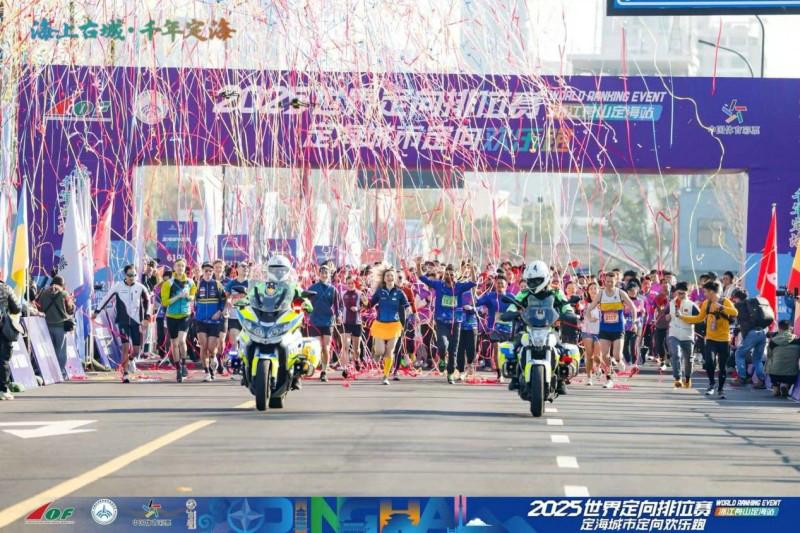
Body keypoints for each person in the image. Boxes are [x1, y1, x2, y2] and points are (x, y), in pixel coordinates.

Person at [508, 260, 575, 393]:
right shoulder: (524, 293)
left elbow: (566, 305)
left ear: (545, 278)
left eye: (536, 280)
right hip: (528, 329)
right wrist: (510, 312)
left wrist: (568, 312)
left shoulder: (556, 292)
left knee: (561, 349)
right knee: (515, 347)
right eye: (530, 281)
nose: (533, 283)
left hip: (550, 329)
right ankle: (515, 377)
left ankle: (560, 380)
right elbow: (513, 305)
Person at [417, 259, 477, 384]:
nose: (450, 276)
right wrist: (418, 264)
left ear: (456, 275)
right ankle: (442, 358)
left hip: (456, 322)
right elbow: (422, 277)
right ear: (445, 275)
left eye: (452, 274)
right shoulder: (439, 285)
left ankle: (450, 373)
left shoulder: (459, 287)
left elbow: (474, 282)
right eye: (448, 274)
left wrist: (471, 268)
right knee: (443, 345)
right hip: (441, 321)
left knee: (453, 349)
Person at [680, 280, 738, 399]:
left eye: (705, 291)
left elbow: (735, 312)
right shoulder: (706, 303)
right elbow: (699, 318)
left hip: (724, 340)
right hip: (711, 338)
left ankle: (721, 389)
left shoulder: (725, 301)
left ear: (711, 291)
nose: (704, 294)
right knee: (709, 362)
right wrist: (683, 317)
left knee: (722, 366)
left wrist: (721, 307)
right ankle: (712, 384)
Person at [94, 265, 152, 383]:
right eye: (130, 275)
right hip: (123, 321)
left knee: (137, 350)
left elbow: (147, 302)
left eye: (134, 275)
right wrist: (96, 311)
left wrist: (146, 317)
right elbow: (106, 298)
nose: (132, 277)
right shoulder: (118, 286)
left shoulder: (141, 287)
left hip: (137, 322)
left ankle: (131, 359)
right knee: (125, 347)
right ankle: (125, 374)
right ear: (125, 275)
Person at [586, 269, 638, 389]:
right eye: (607, 281)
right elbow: (590, 308)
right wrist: (590, 318)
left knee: (617, 355)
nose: (609, 284)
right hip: (604, 329)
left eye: (611, 282)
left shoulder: (620, 293)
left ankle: (619, 361)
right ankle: (609, 379)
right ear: (604, 281)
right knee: (604, 356)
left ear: (616, 282)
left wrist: (634, 322)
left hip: (618, 328)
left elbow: (633, 307)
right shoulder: (601, 294)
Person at [366, 266, 411, 385]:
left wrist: (409, 310)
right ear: (384, 279)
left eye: (391, 275)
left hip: (394, 325)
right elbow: (370, 304)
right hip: (380, 325)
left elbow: (407, 305)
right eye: (387, 275)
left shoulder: (399, 292)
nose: (390, 277)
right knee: (380, 351)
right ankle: (377, 354)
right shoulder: (380, 292)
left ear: (394, 278)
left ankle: (385, 376)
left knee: (390, 351)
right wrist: (365, 301)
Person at [0, 277, 40, 400]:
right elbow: (16, 308)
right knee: (3, 359)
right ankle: (2, 390)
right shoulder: (5, 287)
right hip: (2, 327)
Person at [161, 258, 197, 382]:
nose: (180, 268)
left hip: (185, 315)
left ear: (185, 267)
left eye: (182, 266)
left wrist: (188, 297)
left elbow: (193, 297)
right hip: (171, 316)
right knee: (174, 343)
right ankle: (177, 369)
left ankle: (184, 364)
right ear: (174, 268)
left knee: (182, 341)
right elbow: (165, 302)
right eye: (178, 266)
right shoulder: (168, 283)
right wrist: (178, 296)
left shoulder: (190, 282)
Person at [36, 276, 76, 380]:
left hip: (46, 327)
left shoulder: (43, 294)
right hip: (60, 327)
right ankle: (60, 373)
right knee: (60, 351)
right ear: (62, 284)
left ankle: (49, 373)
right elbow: (70, 310)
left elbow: (39, 308)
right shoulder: (64, 294)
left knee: (49, 351)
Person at [476, 274, 515, 382]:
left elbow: (520, 307)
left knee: (507, 352)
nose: (500, 285)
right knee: (496, 349)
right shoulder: (490, 296)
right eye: (498, 283)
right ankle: (499, 374)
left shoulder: (511, 297)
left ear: (506, 285)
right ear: (495, 285)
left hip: (509, 329)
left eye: (502, 284)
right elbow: (477, 302)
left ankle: (510, 371)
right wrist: (474, 292)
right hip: (494, 329)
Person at [307, 265, 341, 382]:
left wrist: (338, 316)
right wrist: (305, 315)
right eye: (322, 272)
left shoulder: (333, 289)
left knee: (326, 347)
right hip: (315, 321)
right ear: (319, 274)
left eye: (326, 273)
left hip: (328, 321)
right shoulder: (312, 288)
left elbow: (338, 306)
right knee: (317, 347)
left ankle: (324, 371)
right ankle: (315, 366)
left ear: (329, 274)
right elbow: (305, 302)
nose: (324, 274)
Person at [194, 262, 227, 382]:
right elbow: (193, 300)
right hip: (201, 320)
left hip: (214, 321)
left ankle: (214, 359)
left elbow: (224, 300)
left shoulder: (217, 284)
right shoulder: (198, 284)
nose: (208, 273)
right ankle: (207, 372)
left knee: (212, 348)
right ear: (202, 271)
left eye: (210, 271)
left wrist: (219, 311)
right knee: (203, 346)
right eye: (206, 270)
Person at [731, 289, 768, 389]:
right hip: (762, 332)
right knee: (757, 359)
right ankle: (762, 381)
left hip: (752, 334)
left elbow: (733, 318)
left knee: (739, 353)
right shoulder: (753, 304)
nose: (733, 300)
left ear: (737, 298)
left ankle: (742, 378)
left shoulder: (739, 305)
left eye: (734, 298)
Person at [666, 281, 698, 388]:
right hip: (674, 333)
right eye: (678, 293)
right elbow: (666, 314)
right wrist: (667, 317)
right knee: (676, 354)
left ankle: (687, 378)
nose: (680, 295)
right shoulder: (671, 303)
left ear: (688, 293)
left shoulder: (692, 305)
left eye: (683, 293)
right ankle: (677, 378)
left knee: (688, 359)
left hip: (687, 335)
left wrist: (686, 318)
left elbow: (699, 319)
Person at [340, 274, 366, 378]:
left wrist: (358, 308)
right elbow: (339, 306)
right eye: (348, 283)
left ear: (355, 283)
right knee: (345, 346)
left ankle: (356, 359)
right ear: (346, 284)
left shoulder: (360, 293)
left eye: (352, 283)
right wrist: (339, 315)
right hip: (345, 323)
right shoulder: (342, 294)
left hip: (357, 323)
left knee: (356, 349)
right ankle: (345, 368)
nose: (350, 285)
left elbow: (366, 306)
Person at [765, 320, 800, 398]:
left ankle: (776, 388)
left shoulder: (773, 341)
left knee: (770, 361)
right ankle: (786, 386)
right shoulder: (797, 340)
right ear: (790, 328)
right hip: (791, 373)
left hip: (775, 373)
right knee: (792, 371)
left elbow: (769, 355)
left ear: (779, 328)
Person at [580, 282, 601, 386]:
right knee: (589, 356)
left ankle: (598, 367)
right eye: (591, 288)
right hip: (587, 331)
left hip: (600, 332)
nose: (593, 290)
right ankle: (589, 377)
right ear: (588, 291)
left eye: (595, 288)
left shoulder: (602, 303)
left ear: (599, 290)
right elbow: (581, 314)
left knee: (597, 356)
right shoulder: (584, 304)